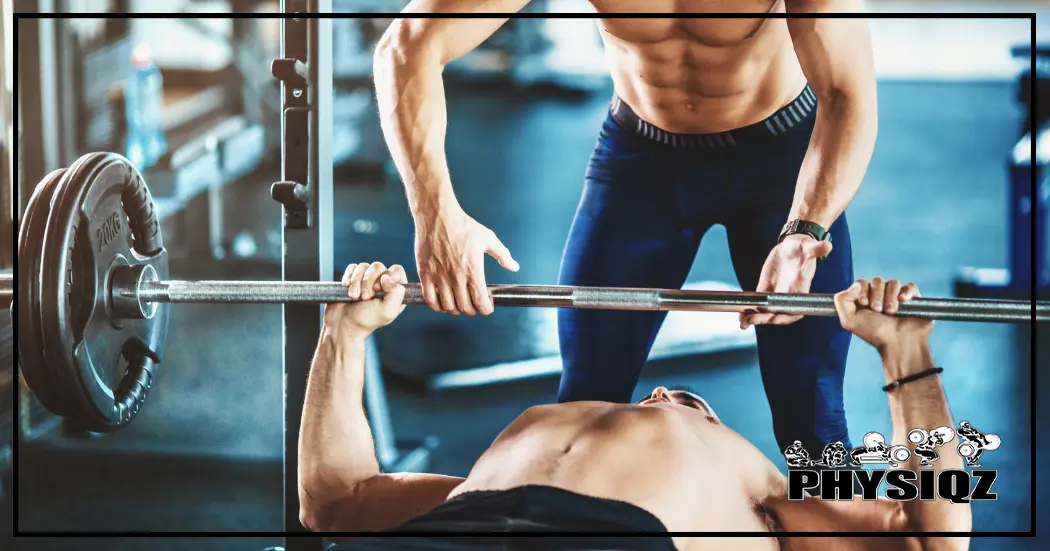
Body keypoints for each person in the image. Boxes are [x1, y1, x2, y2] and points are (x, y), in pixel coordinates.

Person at [372, 0, 878, 460]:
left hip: (783, 168)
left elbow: (845, 93)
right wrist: (435, 212)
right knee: (584, 408)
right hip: (643, 167)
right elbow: (409, 44)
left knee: (813, 422)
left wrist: (804, 229)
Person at [297, 262, 971, 550]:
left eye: (691, 402)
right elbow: (337, 497)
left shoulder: (759, 494)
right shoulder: (478, 482)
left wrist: (904, 351)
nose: (662, 392)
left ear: (713, 425)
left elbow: (928, 536)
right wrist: (344, 333)